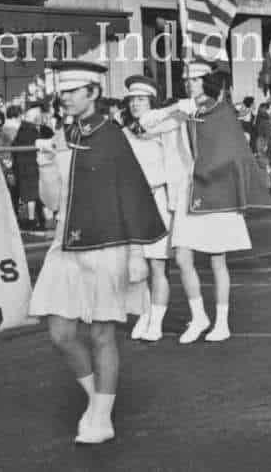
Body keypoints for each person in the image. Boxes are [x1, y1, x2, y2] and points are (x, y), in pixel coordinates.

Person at [28, 63, 167, 446]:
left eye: (74, 90)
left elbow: (133, 193)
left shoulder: (112, 136)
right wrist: (45, 163)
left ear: (93, 92)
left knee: (103, 333)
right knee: (60, 333)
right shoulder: (61, 135)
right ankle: (95, 400)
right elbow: (53, 201)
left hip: (110, 245)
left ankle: (102, 416)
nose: (66, 96)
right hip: (67, 244)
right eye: (64, 91)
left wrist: (138, 253)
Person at [140, 60, 254, 344]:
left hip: (216, 192)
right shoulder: (183, 112)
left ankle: (222, 321)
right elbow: (145, 123)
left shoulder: (222, 110)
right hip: (187, 193)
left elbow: (233, 151)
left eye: (195, 79)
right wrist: (176, 107)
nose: (189, 83)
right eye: (186, 79)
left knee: (217, 260)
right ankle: (199, 315)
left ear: (207, 81)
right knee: (181, 257)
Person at [120, 75, 182, 341]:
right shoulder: (122, 132)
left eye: (141, 99)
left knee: (158, 265)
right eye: (132, 99)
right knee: (138, 267)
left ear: (152, 102)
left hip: (157, 200)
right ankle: (144, 314)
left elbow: (176, 165)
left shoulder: (166, 129)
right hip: (132, 204)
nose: (135, 104)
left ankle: (155, 321)